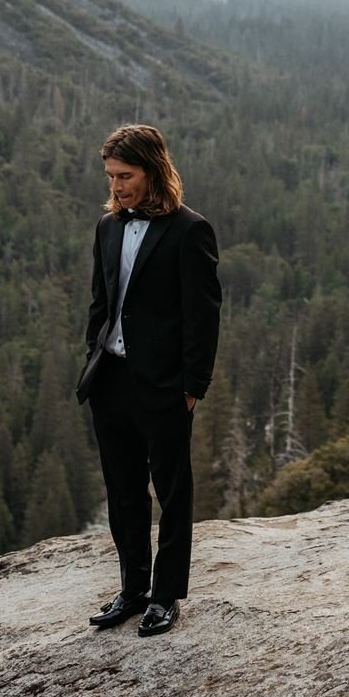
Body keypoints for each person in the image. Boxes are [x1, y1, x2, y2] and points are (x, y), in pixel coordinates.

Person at [74, 124, 221, 637]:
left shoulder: (190, 230)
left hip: (164, 386)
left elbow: (203, 317)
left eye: (125, 176)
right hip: (111, 380)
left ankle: (165, 597)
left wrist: (191, 387)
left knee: (172, 492)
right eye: (111, 177)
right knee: (124, 491)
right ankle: (133, 590)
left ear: (153, 170)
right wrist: (94, 351)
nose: (116, 187)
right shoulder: (107, 227)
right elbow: (101, 302)